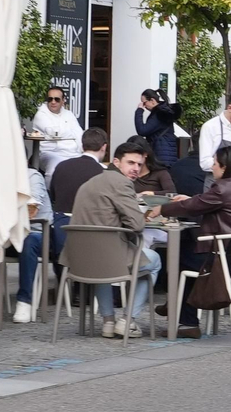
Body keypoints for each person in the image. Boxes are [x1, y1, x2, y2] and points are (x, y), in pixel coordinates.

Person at [150, 144, 231, 338]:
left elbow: (194, 206)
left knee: (178, 262)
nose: (211, 167)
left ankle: (187, 321)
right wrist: (192, 198)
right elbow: (205, 202)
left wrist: (162, 209)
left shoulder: (223, 189)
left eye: (215, 163)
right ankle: (176, 307)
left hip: (220, 260)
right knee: (186, 253)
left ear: (224, 167)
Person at [65, 137, 162, 338]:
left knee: (104, 255)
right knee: (154, 261)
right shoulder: (122, 183)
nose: (136, 168)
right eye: (131, 163)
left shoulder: (90, 183)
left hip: (78, 260)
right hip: (106, 259)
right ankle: (128, 320)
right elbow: (137, 225)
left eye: (139, 164)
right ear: (116, 162)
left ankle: (108, 321)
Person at [10, 164, 55, 324]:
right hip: (8, 232)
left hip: (37, 231)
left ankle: (24, 301)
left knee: (27, 242)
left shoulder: (32, 176)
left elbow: (31, 210)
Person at [28, 86, 83, 175]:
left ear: (63, 101)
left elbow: (79, 134)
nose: (53, 102)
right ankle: (50, 189)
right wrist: (71, 133)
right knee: (55, 168)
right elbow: (54, 132)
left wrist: (82, 148)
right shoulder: (41, 115)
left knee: (87, 165)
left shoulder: (69, 114)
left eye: (57, 99)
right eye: (50, 99)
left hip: (72, 153)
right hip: (50, 152)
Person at [133, 89, 180, 169]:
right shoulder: (164, 112)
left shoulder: (159, 114)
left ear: (152, 100)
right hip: (166, 155)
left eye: (144, 102)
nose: (144, 105)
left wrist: (139, 111)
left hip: (161, 156)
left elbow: (142, 130)